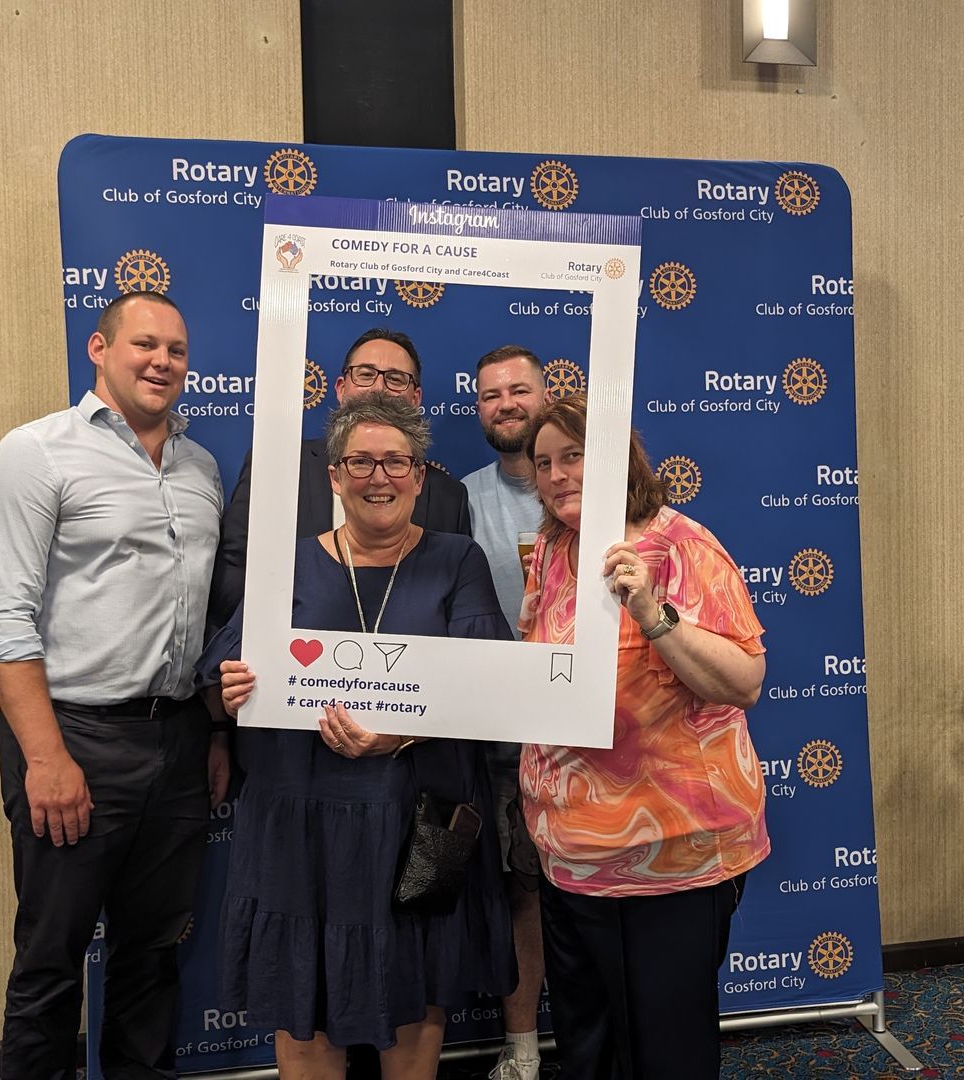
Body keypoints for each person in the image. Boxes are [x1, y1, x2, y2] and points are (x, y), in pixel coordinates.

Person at [201, 393, 514, 1079]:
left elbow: (486, 680)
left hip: (414, 819)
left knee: (413, 1011)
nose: (381, 477)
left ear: (422, 474)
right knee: (303, 1010)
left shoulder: (458, 560)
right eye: (361, 461)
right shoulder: (285, 563)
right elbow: (227, 665)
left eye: (397, 461)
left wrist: (396, 737)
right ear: (334, 476)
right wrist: (231, 686)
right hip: (298, 823)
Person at [0, 290, 228, 1080]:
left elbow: (212, 614)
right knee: (51, 959)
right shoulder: (34, 453)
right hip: (75, 737)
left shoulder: (201, 466)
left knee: (153, 956)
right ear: (99, 347)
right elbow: (2, 620)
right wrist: (45, 759)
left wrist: (214, 732)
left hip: (178, 739)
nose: (163, 362)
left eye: (177, 350)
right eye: (145, 344)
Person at [517, 393, 771, 1079]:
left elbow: (744, 680)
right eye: (544, 463)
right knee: (587, 1042)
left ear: (614, 459)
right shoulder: (550, 548)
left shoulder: (679, 544)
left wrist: (653, 612)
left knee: (664, 1051)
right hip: (569, 853)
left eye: (573, 456)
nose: (557, 474)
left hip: (668, 855)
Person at [207, 327, 473, 637]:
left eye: (396, 378)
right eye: (365, 374)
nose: (379, 388)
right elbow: (233, 573)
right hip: (296, 667)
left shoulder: (448, 496)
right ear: (340, 388)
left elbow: (458, 605)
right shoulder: (276, 465)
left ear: (416, 398)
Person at [456, 345, 548, 1080]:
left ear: (550, 397)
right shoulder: (459, 498)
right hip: (496, 737)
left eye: (519, 390)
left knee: (593, 887)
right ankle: (520, 1049)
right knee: (520, 890)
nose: (506, 404)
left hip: (592, 729)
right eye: (491, 395)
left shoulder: (598, 490)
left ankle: (598, 1038)